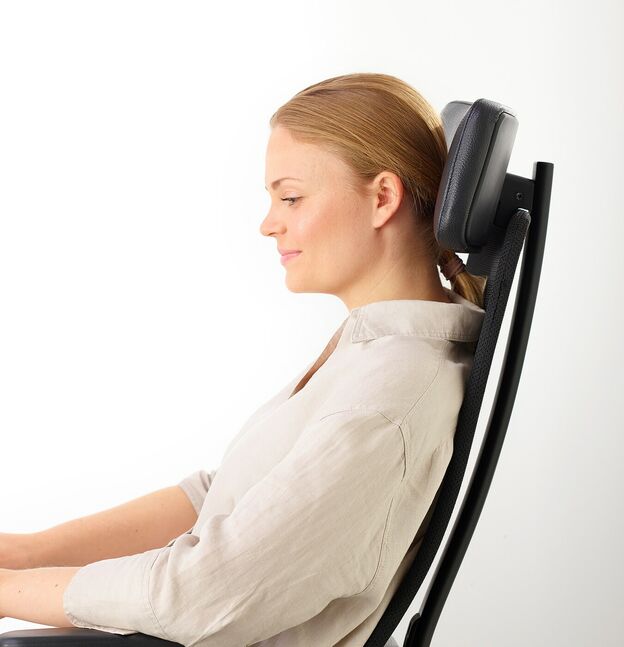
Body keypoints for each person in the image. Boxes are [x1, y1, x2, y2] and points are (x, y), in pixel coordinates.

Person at [0, 73, 486, 646]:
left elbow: (198, 594)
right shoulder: (373, 353)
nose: (268, 223)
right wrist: (24, 554)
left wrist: (8, 590)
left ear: (382, 198)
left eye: (290, 197)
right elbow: (220, 497)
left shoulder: (388, 398)